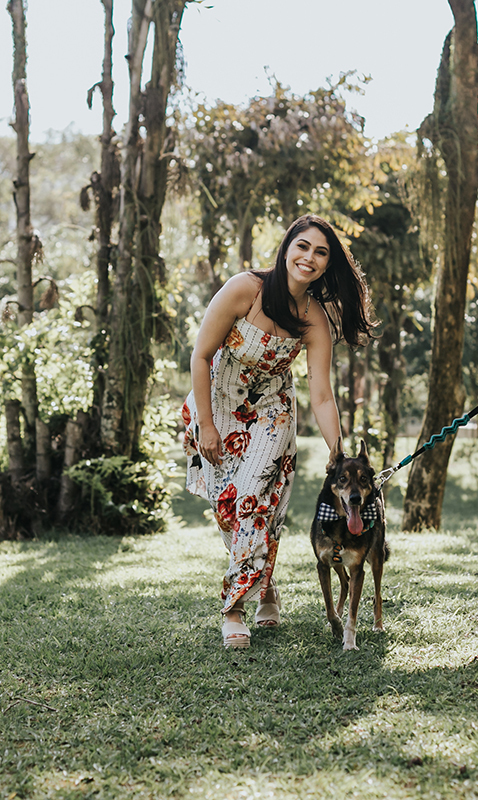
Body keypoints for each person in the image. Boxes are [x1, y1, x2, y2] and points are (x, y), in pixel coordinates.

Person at [182, 214, 375, 649]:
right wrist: (207, 426)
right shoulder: (244, 289)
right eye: (303, 246)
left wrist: (337, 451)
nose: (309, 257)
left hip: (271, 410)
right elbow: (200, 355)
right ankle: (265, 588)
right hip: (218, 406)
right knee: (230, 510)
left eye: (321, 252)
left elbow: (322, 395)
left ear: (327, 265)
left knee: (251, 498)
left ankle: (233, 608)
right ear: (287, 247)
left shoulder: (314, 320)